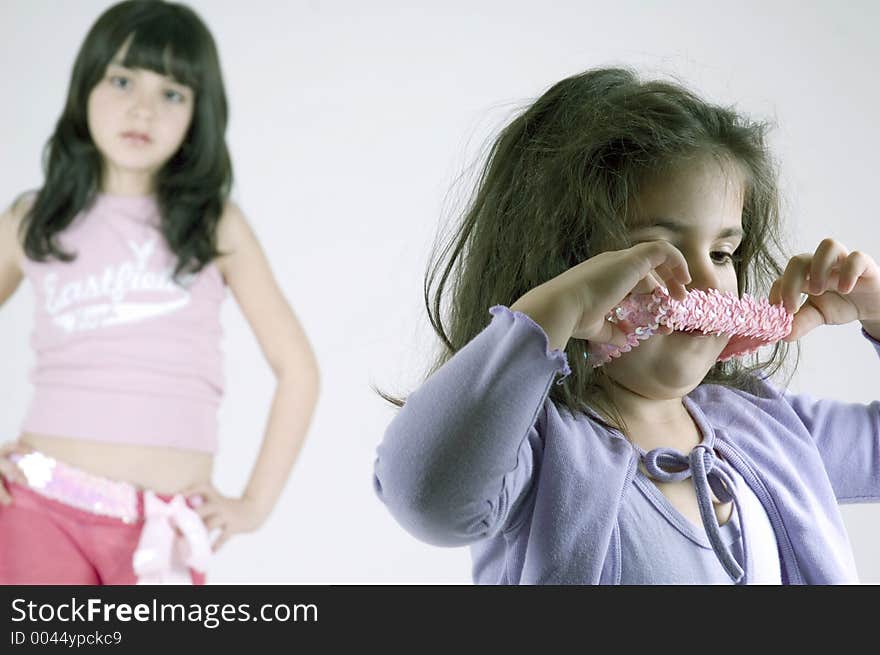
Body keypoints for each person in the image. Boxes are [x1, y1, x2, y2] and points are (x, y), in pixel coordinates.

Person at [372, 67, 880, 584]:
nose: (706, 280)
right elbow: (425, 498)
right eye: (657, 253)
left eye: (724, 252)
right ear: (567, 270)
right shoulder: (538, 448)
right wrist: (547, 316)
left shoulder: (766, 425)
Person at [0, 0, 320, 585]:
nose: (142, 108)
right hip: (41, 507)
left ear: (199, 113)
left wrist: (255, 503)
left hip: (164, 534)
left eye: (172, 92)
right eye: (122, 80)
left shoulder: (214, 223)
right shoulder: (31, 219)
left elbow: (297, 367)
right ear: (84, 87)